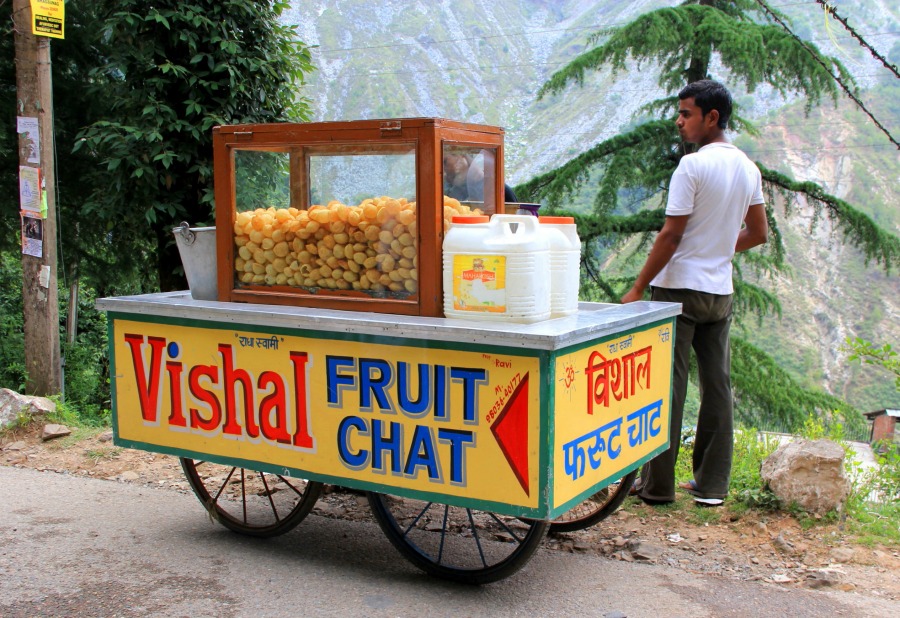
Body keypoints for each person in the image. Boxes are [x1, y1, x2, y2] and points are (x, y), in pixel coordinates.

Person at [621, 79, 768, 507]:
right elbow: (757, 233)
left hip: (678, 290)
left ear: (712, 117)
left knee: (669, 387)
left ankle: (658, 487)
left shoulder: (692, 167)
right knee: (717, 386)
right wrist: (720, 248)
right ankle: (712, 486)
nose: (679, 121)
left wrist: (635, 288)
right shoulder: (747, 168)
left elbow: (671, 235)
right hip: (719, 293)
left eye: (686, 113)